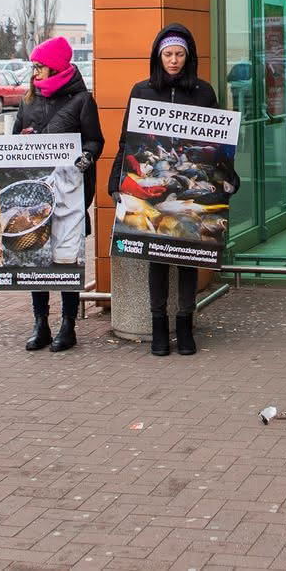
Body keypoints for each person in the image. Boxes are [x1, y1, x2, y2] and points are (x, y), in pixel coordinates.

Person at [0, 35, 103, 352]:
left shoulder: (82, 101)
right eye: (34, 67)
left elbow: (95, 141)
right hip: (35, 193)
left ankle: (68, 324)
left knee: (66, 258)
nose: (35, 73)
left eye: (40, 67)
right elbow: (15, 143)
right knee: (36, 262)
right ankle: (40, 323)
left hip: (69, 191)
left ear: (56, 67)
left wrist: (86, 157)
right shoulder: (29, 102)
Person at [106, 23, 223, 357]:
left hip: (189, 186)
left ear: (189, 57)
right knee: (155, 256)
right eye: (168, 54)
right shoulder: (142, 90)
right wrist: (117, 179)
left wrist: (226, 175)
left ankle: (185, 323)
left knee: (188, 256)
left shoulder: (203, 91)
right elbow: (126, 139)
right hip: (149, 187)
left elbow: (216, 144)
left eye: (179, 55)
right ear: (158, 57)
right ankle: (160, 325)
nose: (174, 60)